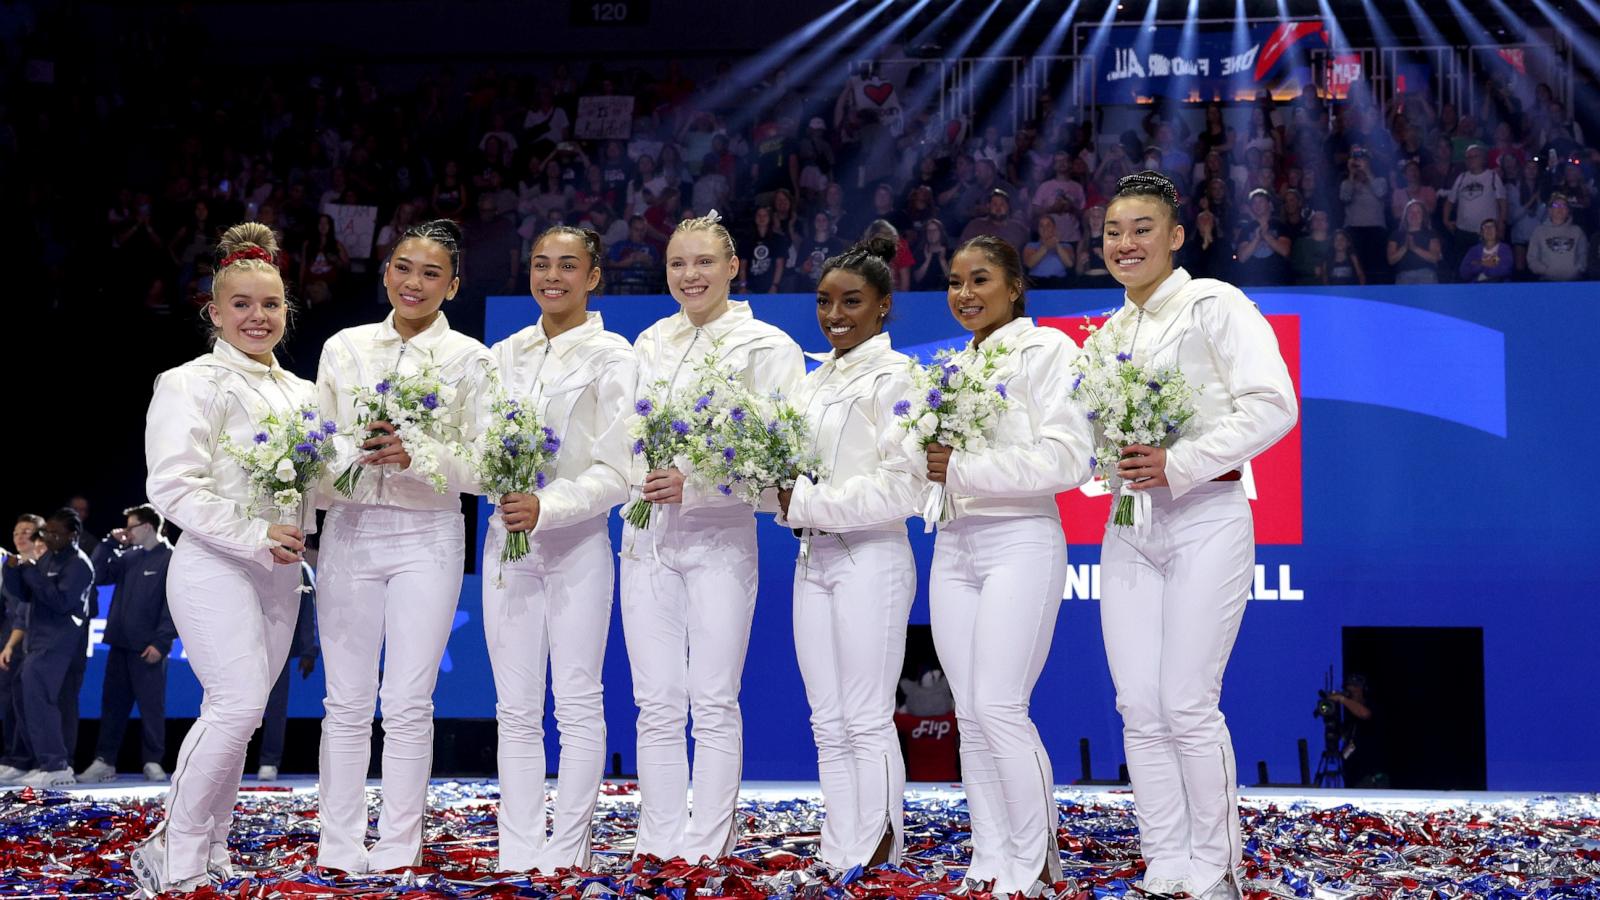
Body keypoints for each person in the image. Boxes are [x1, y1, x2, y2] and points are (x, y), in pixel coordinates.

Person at [1096, 172, 1298, 900]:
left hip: (1207, 515)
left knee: (1185, 701)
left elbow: (1275, 406)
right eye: (1116, 231)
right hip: (1128, 524)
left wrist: (1178, 462)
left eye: (1143, 229)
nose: (1127, 244)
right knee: (1137, 705)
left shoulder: (1215, 305)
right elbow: (1097, 438)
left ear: (1176, 236)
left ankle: (1216, 871)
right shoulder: (1111, 333)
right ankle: (1166, 863)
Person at [132, 222, 317, 893]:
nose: (257, 316)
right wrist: (253, 534)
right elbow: (172, 484)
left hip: (279, 574)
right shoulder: (189, 382)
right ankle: (173, 853)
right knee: (237, 706)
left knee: (241, 715)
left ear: (285, 311)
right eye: (241, 304)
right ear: (214, 311)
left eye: (269, 304)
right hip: (214, 562)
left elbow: (313, 482)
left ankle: (211, 848)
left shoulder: (302, 393)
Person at [313, 219, 496, 874]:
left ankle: (396, 849)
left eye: (430, 273)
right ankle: (338, 846)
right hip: (351, 529)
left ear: (452, 284)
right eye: (403, 267)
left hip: (429, 533)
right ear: (386, 271)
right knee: (346, 700)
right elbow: (316, 440)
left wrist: (417, 455)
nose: (413, 282)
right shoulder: (344, 348)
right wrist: (346, 461)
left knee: (409, 701)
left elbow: (485, 467)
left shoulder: (472, 360)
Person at [621, 212, 804, 863]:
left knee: (714, 697)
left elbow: (779, 460)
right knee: (656, 701)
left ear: (733, 267)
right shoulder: (647, 342)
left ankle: (708, 846)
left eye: (703, 262)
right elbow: (625, 439)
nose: (690, 275)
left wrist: (696, 483)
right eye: (677, 264)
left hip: (720, 540)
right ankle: (660, 841)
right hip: (644, 540)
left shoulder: (768, 347)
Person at [922, 235, 1094, 895]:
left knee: (999, 704)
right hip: (955, 544)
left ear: (1014, 286)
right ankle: (989, 860)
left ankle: (1034, 864)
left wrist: (963, 467)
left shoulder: (1047, 349)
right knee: (970, 710)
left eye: (981, 279)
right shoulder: (951, 366)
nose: (966, 294)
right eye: (956, 281)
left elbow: (1068, 458)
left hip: (1021, 540)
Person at [482, 226, 636, 872]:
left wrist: (550, 507)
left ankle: (568, 850)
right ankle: (517, 851)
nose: (553, 276)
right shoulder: (504, 354)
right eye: (542, 264)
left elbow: (619, 468)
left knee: (576, 700)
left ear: (593, 276)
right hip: (506, 545)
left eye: (568, 266)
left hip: (576, 546)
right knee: (514, 707)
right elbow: (480, 449)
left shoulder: (613, 356)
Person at [777, 238, 921, 871]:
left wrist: (804, 502)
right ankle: (842, 849)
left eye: (852, 302)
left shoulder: (898, 377)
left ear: (884, 307)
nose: (835, 314)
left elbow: (904, 486)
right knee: (826, 717)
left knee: (864, 714)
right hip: (814, 559)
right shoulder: (813, 383)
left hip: (872, 557)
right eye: (825, 301)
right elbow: (786, 479)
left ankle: (882, 845)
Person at [78, 504, 177, 784]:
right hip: (120, 646)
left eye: (131, 526)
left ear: (146, 527)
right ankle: (104, 761)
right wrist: (109, 544)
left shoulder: (171, 558)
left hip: (149, 649)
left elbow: (174, 605)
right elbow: (96, 574)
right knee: (112, 706)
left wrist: (161, 642)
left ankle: (153, 761)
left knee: (151, 708)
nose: (126, 532)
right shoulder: (128, 557)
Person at [0, 508, 93, 789]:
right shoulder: (49, 558)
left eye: (55, 533)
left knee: (43, 700)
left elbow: (60, 600)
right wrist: (13, 568)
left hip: (58, 642)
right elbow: (25, 593)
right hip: (37, 641)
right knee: (25, 697)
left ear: (73, 535)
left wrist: (29, 570)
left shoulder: (79, 564)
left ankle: (56, 764)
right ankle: (43, 762)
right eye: (47, 532)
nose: (48, 537)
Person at [256, 562, 318, 781]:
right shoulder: (250, 560)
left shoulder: (299, 569)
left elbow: (307, 607)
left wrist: (309, 651)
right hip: (246, 644)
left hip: (279, 648)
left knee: (275, 707)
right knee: (237, 706)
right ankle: (230, 759)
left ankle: (269, 761)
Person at [0, 515, 45, 781]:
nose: (20, 536)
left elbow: (24, 612)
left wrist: (11, 643)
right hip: (10, 640)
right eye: (16, 531)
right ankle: (15, 757)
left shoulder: (39, 566)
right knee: (10, 703)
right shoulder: (10, 566)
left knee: (27, 703)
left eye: (27, 531)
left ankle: (32, 759)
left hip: (28, 642)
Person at [1330, 674, 1386, 788]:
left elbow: (1364, 714)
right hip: (1355, 776)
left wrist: (1342, 699)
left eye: (1355, 690)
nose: (1352, 694)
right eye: (1349, 690)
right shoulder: (1350, 717)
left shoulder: (1371, 707)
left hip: (1372, 777)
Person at [1527, 193, 1590, 282]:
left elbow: (1583, 255)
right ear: (1549, 210)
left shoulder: (1577, 231)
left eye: (1564, 206)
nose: (1560, 208)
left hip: (1574, 283)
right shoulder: (1539, 231)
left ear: (1568, 211)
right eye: (1556, 205)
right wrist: (1546, 271)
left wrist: (1577, 270)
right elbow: (1532, 258)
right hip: (1547, 283)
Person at [1387, 200, 1443, 284]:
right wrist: (1404, 247)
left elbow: (1435, 258)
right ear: (1405, 215)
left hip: (1427, 275)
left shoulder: (1431, 233)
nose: (1414, 215)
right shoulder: (1396, 234)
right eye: (1411, 212)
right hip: (1403, 276)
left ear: (1423, 216)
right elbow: (1391, 260)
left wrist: (1414, 248)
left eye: (1418, 212)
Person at [1022, 214, 1076, 288]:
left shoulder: (1066, 246)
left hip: (1059, 282)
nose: (1045, 228)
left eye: (1048, 225)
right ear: (1038, 229)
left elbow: (1069, 264)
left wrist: (1057, 245)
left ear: (1054, 228)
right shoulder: (1030, 246)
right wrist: (1045, 247)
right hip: (1036, 281)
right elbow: (1029, 264)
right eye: (1041, 226)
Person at [1458, 218, 1514, 283]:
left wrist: (1479, 263)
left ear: (1497, 231)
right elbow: (1464, 272)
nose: (1489, 229)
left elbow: (1506, 269)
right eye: (1485, 227)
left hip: (1499, 286)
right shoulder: (1473, 250)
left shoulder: (1505, 249)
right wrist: (1491, 263)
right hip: (1477, 286)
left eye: (1492, 227)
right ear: (1481, 233)